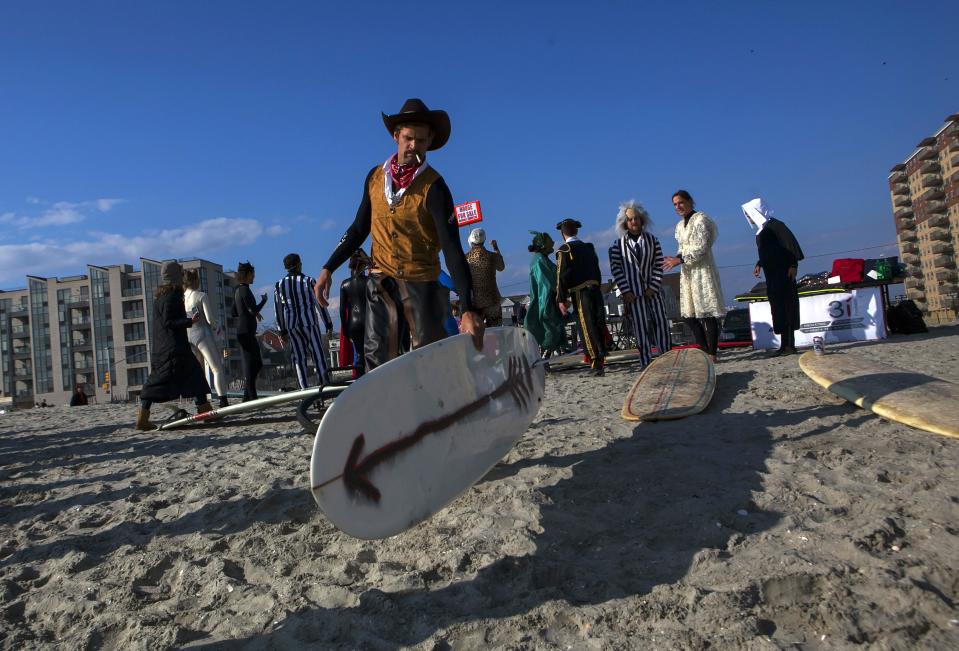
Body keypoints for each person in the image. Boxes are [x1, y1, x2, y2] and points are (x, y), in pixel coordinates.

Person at [314, 98, 483, 372]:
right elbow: (359, 228)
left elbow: (452, 248)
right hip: (381, 282)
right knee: (377, 359)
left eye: (421, 140)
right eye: (408, 138)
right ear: (396, 136)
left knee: (429, 357)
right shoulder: (374, 178)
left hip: (423, 284)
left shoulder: (435, 187)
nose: (413, 146)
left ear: (429, 143)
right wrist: (328, 267)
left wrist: (468, 308)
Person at [136, 261, 211, 430]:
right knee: (193, 377)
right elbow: (168, 321)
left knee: (165, 380)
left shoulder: (162, 296)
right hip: (173, 349)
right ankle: (205, 411)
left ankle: (143, 416)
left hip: (166, 349)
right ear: (176, 277)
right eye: (180, 274)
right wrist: (189, 321)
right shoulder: (171, 296)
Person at [662, 190, 725, 362]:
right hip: (688, 272)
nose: (678, 206)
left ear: (690, 201)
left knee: (707, 312)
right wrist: (675, 259)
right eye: (675, 204)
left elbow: (702, 247)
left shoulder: (701, 219)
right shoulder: (679, 225)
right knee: (689, 315)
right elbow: (682, 248)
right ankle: (704, 349)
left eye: (681, 202)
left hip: (702, 270)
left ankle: (712, 353)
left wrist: (680, 259)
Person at [609, 200, 671, 368]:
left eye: (636, 218)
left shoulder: (653, 241)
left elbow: (659, 264)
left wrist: (653, 286)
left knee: (661, 323)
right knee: (640, 327)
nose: (634, 221)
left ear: (642, 220)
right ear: (625, 222)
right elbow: (616, 269)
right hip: (633, 294)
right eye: (630, 219)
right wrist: (626, 290)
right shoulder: (617, 245)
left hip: (654, 292)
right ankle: (645, 362)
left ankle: (665, 359)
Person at [743, 197, 804, 356]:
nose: (748, 218)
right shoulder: (762, 231)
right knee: (777, 308)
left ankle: (790, 345)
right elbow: (769, 251)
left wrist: (793, 265)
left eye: (750, 214)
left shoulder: (777, 225)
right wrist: (759, 264)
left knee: (787, 306)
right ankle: (784, 345)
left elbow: (790, 245)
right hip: (772, 275)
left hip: (784, 272)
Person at [555, 218, 607, 376]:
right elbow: (597, 271)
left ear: (563, 234)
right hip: (596, 290)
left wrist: (561, 299)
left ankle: (595, 362)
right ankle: (601, 358)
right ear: (576, 231)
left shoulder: (565, 250)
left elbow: (561, 276)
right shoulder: (589, 247)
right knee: (598, 323)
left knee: (586, 326)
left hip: (580, 293)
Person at [275, 253, 332, 389]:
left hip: (292, 325)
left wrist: (281, 330)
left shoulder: (280, 285)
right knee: (317, 354)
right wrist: (328, 323)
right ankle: (324, 385)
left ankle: (303, 388)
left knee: (298, 358)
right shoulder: (308, 281)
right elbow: (319, 304)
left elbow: (278, 309)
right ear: (299, 264)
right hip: (310, 323)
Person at [183, 269, 230, 408]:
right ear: (196, 280)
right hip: (203, 334)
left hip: (189, 336)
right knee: (216, 368)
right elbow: (210, 319)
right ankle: (223, 400)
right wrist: (218, 329)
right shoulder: (202, 295)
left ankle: (202, 401)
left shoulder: (182, 298)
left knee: (199, 371)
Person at [524, 231, 566, 359]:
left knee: (550, 330)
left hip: (544, 299)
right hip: (546, 301)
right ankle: (544, 358)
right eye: (549, 242)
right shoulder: (540, 260)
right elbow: (547, 283)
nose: (552, 244)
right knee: (551, 329)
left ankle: (544, 358)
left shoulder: (540, 259)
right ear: (543, 245)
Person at [233, 261, 267, 401]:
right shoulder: (245, 290)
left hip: (243, 330)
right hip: (246, 331)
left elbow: (234, 312)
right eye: (252, 275)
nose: (254, 277)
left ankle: (248, 396)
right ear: (247, 275)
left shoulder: (237, 290)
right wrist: (263, 301)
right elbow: (252, 310)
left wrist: (248, 312)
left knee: (253, 363)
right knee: (254, 363)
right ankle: (251, 396)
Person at [338, 249, 370, 377]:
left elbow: (342, 310)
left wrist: (345, 329)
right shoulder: (369, 281)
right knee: (371, 352)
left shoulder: (345, 284)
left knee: (359, 354)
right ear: (362, 266)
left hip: (353, 323)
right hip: (369, 320)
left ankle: (360, 380)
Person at [465, 227, 505, 327]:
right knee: (495, 332)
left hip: (475, 302)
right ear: (484, 240)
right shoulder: (492, 256)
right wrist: (496, 248)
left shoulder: (465, 258)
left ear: (471, 241)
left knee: (477, 335)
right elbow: (501, 267)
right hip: (492, 299)